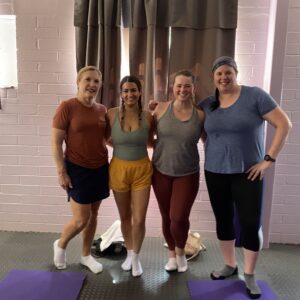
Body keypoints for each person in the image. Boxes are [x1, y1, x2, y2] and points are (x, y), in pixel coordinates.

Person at [198, 56, 292, 299]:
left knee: (250, 224)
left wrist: (268, 160)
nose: (223, 77)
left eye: (228, 72)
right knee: (224, 220)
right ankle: (230, 265)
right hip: (215, 171)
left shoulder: (255, 96)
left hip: (248, 173)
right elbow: (186, 119)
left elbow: (284, 124)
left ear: (236, 73)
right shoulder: (208, 104)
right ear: (213, 77)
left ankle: (249, 274)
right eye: (219, 74)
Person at [51, 66, 109, 274]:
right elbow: (56, 142)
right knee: (80, 219)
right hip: (77, 169)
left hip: (101, 168)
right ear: (78, 81)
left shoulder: (102, 110)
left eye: (96, 81)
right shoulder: (67, 107)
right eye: (88, 80)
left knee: (94, 214)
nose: (92, 84)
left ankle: (86, 255)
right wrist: (61, 171)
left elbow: (107, 139)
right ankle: (61, 244)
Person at [151, 70, 205, 273]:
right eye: (179, 85)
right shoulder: (160, 109)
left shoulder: (200, 115)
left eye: (187, 86)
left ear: (193, 88)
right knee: (166, 217)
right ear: (172, 87)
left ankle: (182, 252)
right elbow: (147, 137)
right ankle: (172, 255)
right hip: (160, 172)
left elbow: (211, 142)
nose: (183, 89)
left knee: (178, 217)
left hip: (187, 173)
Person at [106, 75, 154, 277]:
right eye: (125, 90)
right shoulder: (110, 114)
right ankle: (129, 253)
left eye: (133, 90)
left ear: (140, 92)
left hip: (142, 169)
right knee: (124, 217)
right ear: (121, 93)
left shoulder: (149, 116)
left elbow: (151, 141)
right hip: (118, 169)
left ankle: (136, 257)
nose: (129, 94)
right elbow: (105, 139)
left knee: (139, 219)